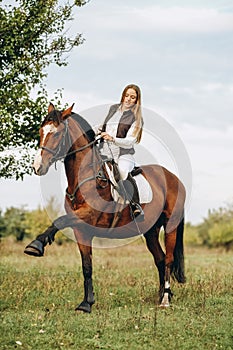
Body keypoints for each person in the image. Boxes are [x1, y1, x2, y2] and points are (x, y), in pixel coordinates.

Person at [98, 84, 144, 220]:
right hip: (104, 152)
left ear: (136, 101)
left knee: (122, 172)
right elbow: (103, 126)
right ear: (123, 95)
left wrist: (113, 139)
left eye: (133, 97)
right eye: (127, 96)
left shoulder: (136, 119)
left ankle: (135, 206)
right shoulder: (113, 109)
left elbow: (131, 140)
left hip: (123, 155)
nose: (129, 99)